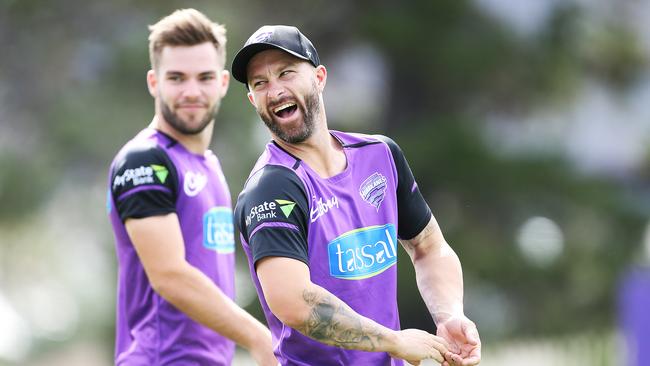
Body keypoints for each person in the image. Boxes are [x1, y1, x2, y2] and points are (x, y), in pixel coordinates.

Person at [231, 25, 482, 366]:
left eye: (286, 73)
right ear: (252, 99)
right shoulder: (272, 187)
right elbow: (294, 302)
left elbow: (428, 246)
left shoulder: (380, 154)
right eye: (260, 83)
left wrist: (449, 314)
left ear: (319, 77)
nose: (274, 91)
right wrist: (395, 341)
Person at [106, 9, 276, 366]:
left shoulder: (208, 165)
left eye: (204, 77)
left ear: (224, 83)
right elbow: (169, 276)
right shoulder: (144, 162)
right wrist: (259, 337)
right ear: (154, 82)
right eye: (177, 78)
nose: (192, 91)